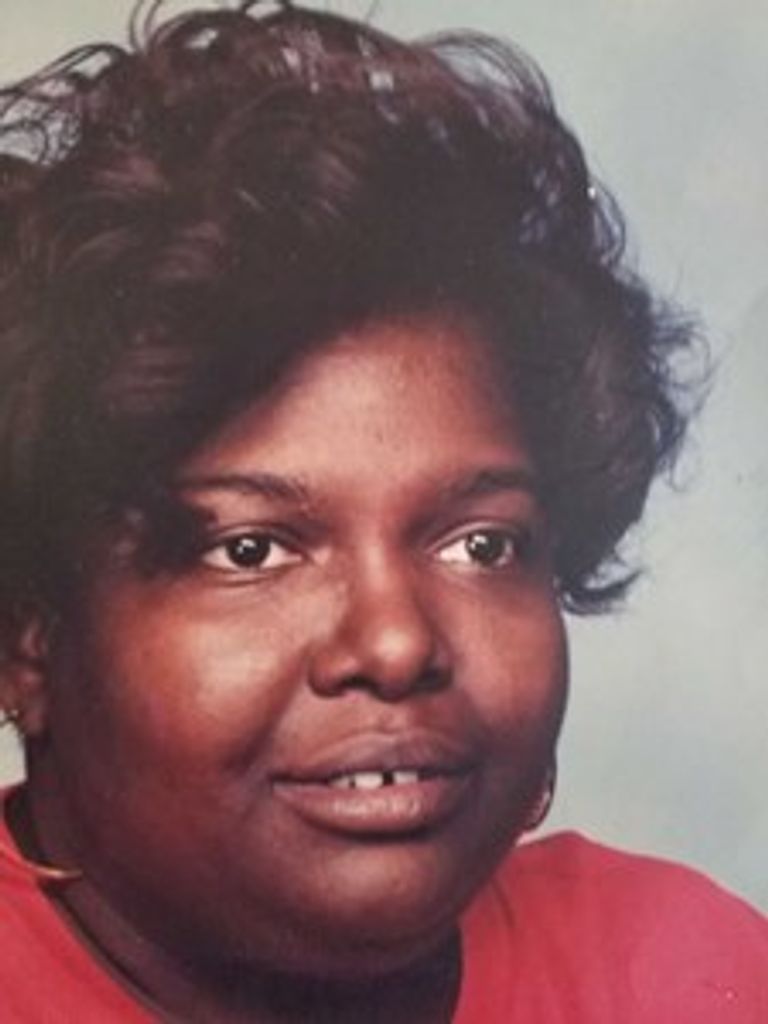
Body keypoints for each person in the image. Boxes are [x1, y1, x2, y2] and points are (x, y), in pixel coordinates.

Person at [0, 1, 765, 1021]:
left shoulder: (677, 971)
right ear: (29, 636)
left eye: (482, 543)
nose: (398, 642)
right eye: (250, 549)